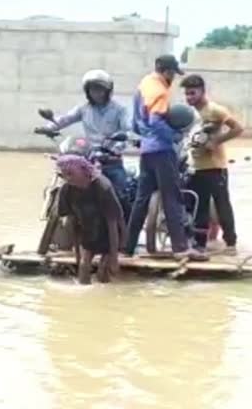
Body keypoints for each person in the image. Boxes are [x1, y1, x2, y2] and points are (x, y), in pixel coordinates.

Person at [125, 55, 207, 260]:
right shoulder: (160, 91)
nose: (173, 78)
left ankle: (126, 248)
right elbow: (156, 121)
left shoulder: (143, 85)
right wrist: (175, 137)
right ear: (168, 71)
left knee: (141, 200)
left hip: (146, 151)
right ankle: (181, 248)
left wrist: (146, 137)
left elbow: (136, 123)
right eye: (173, 74)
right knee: (172, 197)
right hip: (162, 151)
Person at [36, 69, 132, 213]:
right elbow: (65, 119)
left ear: (108, 91)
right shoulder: (83, 109)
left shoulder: (120, 110)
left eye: (100, 89)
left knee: (122, 195)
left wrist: (117, 143)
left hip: (111, 160)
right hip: (88, 159)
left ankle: (125, 231)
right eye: (93, 89)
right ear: (87, 91)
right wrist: (48, 127)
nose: (96, 93)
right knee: (65, 186)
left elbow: (128, 129)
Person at [180, 75, 244, 254]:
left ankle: (231, 243)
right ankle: (200, 243)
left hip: (216, 167)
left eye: (193, 93)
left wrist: (216, 141)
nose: (189, 98)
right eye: (187, 94)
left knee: (222, 204)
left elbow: (238, 129)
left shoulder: (216, 110)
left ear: (202, 91)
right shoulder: (190, 114)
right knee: (199, 206)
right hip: (196, 167)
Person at [55, 154, 125, 284]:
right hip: (89, 233)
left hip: (110, 233)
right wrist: (77, 253)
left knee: (103, 270)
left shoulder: (102, 187)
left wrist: (114, 256)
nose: (67, 178)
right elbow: (72, 222)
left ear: (84, 171)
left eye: (70, 174)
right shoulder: (67, 190)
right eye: (63, 175)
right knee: (83, 266)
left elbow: (113, 222)